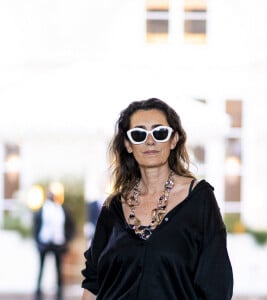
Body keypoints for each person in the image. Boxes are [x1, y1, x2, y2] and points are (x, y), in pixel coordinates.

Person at [81, 98, 233, 299]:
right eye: (139, 134)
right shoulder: (114, 208)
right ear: (128, 144)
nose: (150, 141)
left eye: (160, 133)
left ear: (174, 140)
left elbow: (217, 284)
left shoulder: (199, 199)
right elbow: (93, 282)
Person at [33, 190, 75, 300]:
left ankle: (59, 293)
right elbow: (36, 226)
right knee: (41, 268)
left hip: (58, 243)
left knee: (58, 269)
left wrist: (67, 239)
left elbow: (70, 225)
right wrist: (37, 242)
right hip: (44, 242)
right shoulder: (41, 210)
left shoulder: (62, 210)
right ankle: (38, 292)